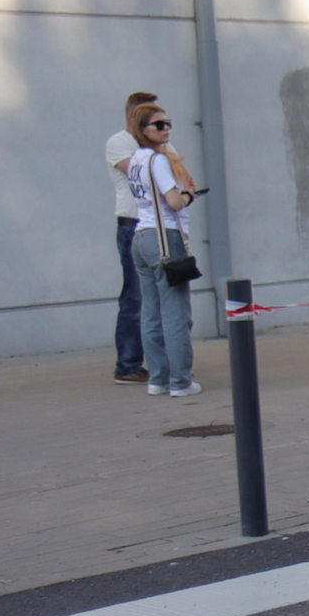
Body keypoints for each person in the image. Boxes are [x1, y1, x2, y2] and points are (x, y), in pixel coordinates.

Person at [123, 102, 200, 398]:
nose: (166, 128)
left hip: (140, 237)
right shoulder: (157, 160)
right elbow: (174, 202)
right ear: (143, 130)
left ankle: (158, 379)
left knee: (151, 313)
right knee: (176, 313)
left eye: (168, 123)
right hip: (165, 237)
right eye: (158, 125)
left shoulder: (135, 161)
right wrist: (189, 195)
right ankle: (181, 382)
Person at [106, 90, 158, 384]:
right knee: (135, 296)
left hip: (162, 224)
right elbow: (142, 175)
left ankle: (163, 361)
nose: (160, 126)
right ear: (133, 116)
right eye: (151, 118)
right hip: (133, 224)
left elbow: (179, 174)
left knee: (163, 295)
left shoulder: (157, 143)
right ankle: (127, 365)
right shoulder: (119, 143)